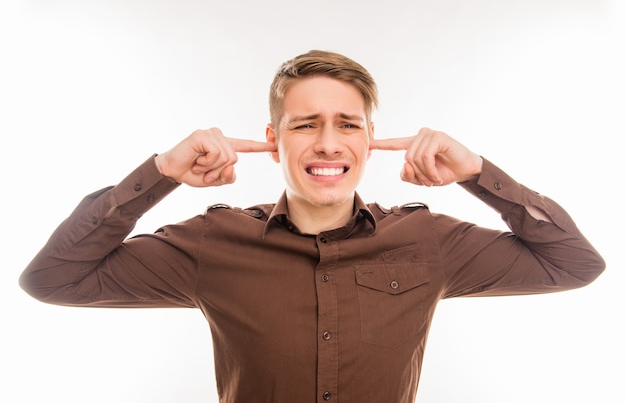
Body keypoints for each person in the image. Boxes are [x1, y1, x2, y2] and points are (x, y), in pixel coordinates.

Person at [19, 50, 605, 403]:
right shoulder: (211, 243)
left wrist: (478, 173)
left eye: (348, 124)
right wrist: (160, 173)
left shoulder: (428, 242)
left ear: (369, 140)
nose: (328, 143)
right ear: (274, 142)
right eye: (305, 125)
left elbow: (574, 264)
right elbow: (54, 279)